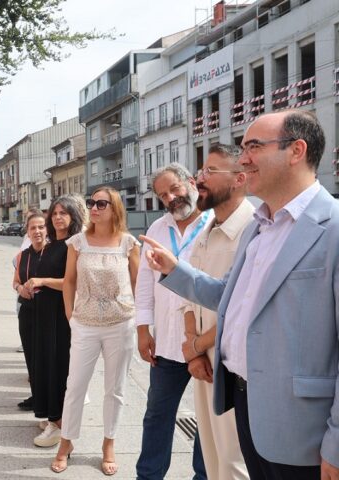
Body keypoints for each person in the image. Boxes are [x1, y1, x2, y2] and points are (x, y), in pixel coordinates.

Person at [141, 110, 339, 480]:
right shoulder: (260, 227)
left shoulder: (333, 228)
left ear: (296, 151)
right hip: (245, 404)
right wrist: (174, 270)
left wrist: (337, 444)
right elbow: (228, 296)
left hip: (303, 430)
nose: (244, 159)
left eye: (254, 147)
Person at [50, 187, 140, 475]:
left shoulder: (128, 243)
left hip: (120, 324)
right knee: (75, 385)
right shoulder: (77, 243)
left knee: (115, 389)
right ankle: (66, 442)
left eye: (102, 204)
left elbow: (139, 283)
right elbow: (69, 281)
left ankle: (108, 443)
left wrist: (142, 321)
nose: (94, 208)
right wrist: (70, 315)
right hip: (85, 324)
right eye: (92, 202)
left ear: (115, 208)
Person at [181, 145, 252, 480]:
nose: (200, 179)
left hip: (230, 366)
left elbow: (240, 308)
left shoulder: (252, 230)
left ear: (239, 179)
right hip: (203, 362)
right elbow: (189, 296)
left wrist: (196, 346)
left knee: (234, 463)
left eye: (210, 171)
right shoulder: (207, 229)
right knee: (212, 458)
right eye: (201, 171)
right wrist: (193, 350)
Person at [135, 162, 209, 480]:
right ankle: (148, 476)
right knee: (157, 415)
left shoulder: (214, 223)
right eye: (163, 195)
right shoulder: (157, 229)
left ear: (191, 182)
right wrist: (142, 330)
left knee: (208, 421)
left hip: (206, 342)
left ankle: (204, 476)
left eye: (174, 189)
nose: (170, 199)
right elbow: (144, 283)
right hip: (167, 343)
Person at [28, 195, 83, 448]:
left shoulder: (74, 245)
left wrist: (42, 281)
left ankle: (59, 424)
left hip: (62, 315)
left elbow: (73, 283)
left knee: (59, 368)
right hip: (44, 314)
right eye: (55, 213)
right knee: (45, 366)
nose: (58, 217)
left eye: (64, 213)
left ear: (73, 217)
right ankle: (51, 416)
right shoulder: (50, 245)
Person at [12, 209, 47, 413]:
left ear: (47, 229)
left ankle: (47, 398)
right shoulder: (22, 256)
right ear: (27, 232)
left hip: (48, 311)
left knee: (46, 355)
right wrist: (20, 289)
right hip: (27, 310)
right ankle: (36, 396)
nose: (37, 231)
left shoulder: (54, 253)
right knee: (31, 354)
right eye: (33, 228)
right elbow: (15, 281)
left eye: (41, 227)